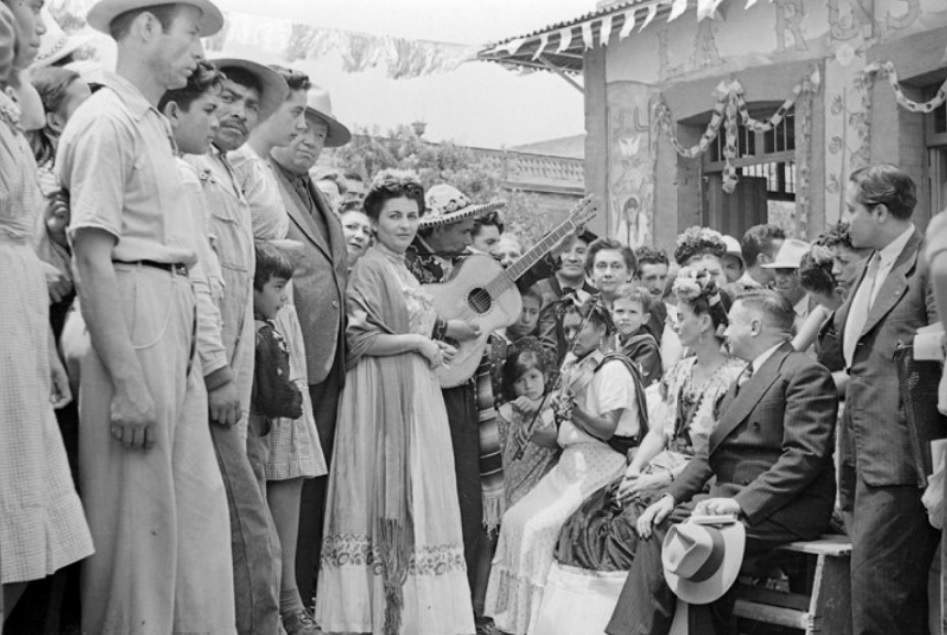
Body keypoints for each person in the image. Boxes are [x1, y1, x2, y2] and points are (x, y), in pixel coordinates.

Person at [56, 1, 234, 632]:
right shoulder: (108, 122)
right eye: (191, 34)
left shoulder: (150, 124)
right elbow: (91, 257)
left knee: (194, 516)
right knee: (136, 528)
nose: (199, 52)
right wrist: (127, 382)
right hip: (132, 310)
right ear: (149, 28)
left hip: (171, 308)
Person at [607, 289, 838, 635]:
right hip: (729, 499)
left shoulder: (804, 373)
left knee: (695, 540)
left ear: (756, 327)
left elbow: (803, 459)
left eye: (730, 323)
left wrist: (739, 505)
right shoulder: (748, 373)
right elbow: (711, 450)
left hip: (785, 507)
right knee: (658, 521)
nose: (723, 331)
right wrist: (672, 495)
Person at [534, 270, 743, 635]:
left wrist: (661, 478)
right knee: (583, 522)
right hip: (657, 468)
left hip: (699, 477)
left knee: (627, 529)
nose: (674, 325)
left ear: (705, 322)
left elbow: (717, 454)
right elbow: (660, 430)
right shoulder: (680, 370)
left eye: (681, 317)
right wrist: (636, 470)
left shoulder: (736, 377)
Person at [316, 172, 475, 635]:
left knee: (422, 488)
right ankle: (371, 612)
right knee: (381, 489)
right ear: (374, 220)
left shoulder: (404, 269)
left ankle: (415, 615)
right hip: (378, 391)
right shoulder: (369, 266)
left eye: (411, 215)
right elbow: (360, 338)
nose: (404, 225)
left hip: (416, 389)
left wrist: (429, 346)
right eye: (394, 216)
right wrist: (420, 344)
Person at [183, 56, 288, 635]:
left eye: (251, 108)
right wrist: (215, 371)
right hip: (206, 373)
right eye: (226, 99)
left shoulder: (228, 168)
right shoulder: (185, 164)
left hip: (235, 378)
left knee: (241, 512)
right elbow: (195, 278)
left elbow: (273, 228)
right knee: (246, 522)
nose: (239, 114)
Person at [0, 0, 93, 622]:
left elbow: (33, 103)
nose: (36, 34)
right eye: (28, 23)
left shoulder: (11, 114)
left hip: (21, 311)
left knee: (27, 523)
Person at [485, 298, 646, 635]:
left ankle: (536, 622)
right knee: (515, 519)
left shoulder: (614, 368)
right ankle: (508, 619)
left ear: (602, 329)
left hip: (600, 466)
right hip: (571, 463)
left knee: (540, 527)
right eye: (568, 328)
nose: (572, 335)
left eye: (580, 327)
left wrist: (572, 412)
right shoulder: (575, 365)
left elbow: (607, 428)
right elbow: (558, 432)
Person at [836, 165, 940, 634]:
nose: (846, 221)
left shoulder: (926, 266)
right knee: (883, 600)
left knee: (881, 605)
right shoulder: (869, 266)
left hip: (902, 460)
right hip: (862, 457)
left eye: (853, 209)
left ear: (880, 212)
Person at [269, 82, 351, 613]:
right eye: (302, 128)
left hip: (326, 355)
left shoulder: (315, 192)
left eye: (320, 134)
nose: (310, 140)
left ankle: (301, 592)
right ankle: (283, 597)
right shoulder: (264, 184)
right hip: (284, 353)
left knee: (310, 484)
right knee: (284, 479)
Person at [252, 242, 304, 433]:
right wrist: (296, 399)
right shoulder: (265, 336)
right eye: (278, 287)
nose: (284, 297)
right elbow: (279, 398)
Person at [611, 282, 662, 387]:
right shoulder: (609, 341)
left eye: (633, 312)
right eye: (620, 311)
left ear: (645, 318)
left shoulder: (647, 348)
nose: (625, 317)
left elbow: (637, 382)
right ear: (612, 315)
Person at [761, 237, 811, 336]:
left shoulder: (819, 309)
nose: (781, 279)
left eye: (789, 272)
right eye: (778, 271)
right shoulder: (770, 310)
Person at [733, 223, 786, 293]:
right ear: (762, 259)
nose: (786, 259)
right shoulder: (732, 295)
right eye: (781, 254)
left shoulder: (780, 294)